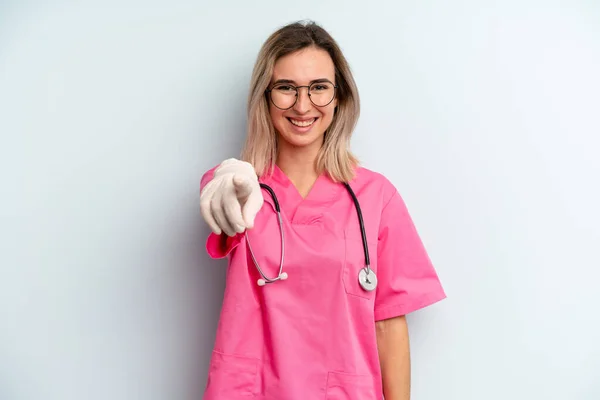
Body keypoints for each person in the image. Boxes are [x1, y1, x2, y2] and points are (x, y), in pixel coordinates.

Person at [198, 20, 446, 400]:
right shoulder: (238, 187)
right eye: (285, 88)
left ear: (339, 98)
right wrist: (230, 180)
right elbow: (221, 203)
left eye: (318, 88)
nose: (302, 105)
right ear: (265, 97)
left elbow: (389, 324)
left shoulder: (376, 197)